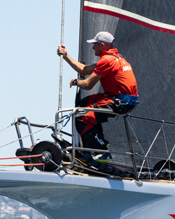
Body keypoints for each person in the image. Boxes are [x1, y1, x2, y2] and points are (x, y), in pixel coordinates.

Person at [57, 31, 139, 160]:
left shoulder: (106, 60)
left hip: (120, 101)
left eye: (95, 44)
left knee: (81, 117)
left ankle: (102, 152)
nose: (93, 47)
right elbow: (84, 70)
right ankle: (99, 140)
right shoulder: (115, 58)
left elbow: (88, 84)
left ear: (102, 45)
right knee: (83, 103)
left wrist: (76, 82)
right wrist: (66, 56)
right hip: (121, 99)